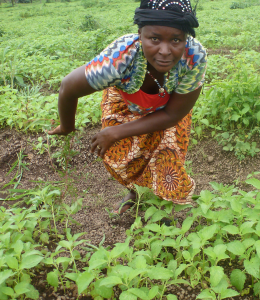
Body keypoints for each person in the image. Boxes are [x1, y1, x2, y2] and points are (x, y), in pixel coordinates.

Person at [48, 0, 207, 215]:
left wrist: (114, 132)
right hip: (125, 101)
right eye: (154, 39)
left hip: (168, 106)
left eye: (176, 40)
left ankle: (161, 205)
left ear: (185, 38)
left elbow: (172, 115)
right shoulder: (120, 58)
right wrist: (66, 127)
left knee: (167, 149)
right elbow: (68, 88)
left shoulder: (193, 57)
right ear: (140, 34)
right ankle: (134, 191)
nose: (165, 51)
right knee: (120, 154)